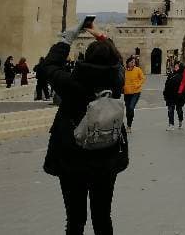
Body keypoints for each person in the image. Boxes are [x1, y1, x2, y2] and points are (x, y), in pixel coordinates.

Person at [41, 18, 128, 235]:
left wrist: (66, 38)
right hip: (106, 156)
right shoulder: (116, 79)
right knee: (102, 216)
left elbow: (49, 66)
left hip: (72, 158)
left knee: (75, 218)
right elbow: (116, 58)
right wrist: (100, 35)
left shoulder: (71, 83)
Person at [122, 57, 145, 133]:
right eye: (131, 62)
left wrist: (138, 84)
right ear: (128, 62)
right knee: (128, 109)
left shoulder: (138, 69)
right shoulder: (124, 70)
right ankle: (128, 125)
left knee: (131, 107)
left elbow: (142, 78)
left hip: (136, 92)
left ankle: (129, 126)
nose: (133, 63)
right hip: (127, 92)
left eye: (134, 62)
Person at [163, 61, 185, 130]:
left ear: (180, 67)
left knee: (179, 110)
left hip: (179, 96)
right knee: (170, 110)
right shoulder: (171, 75)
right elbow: (166, 84)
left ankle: (180, 121)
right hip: (170, 96)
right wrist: (165, 93)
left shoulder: (182, 76)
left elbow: (184, 86)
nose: (176, 66)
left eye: (177, 66)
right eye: (175, 65)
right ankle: (171, 124)